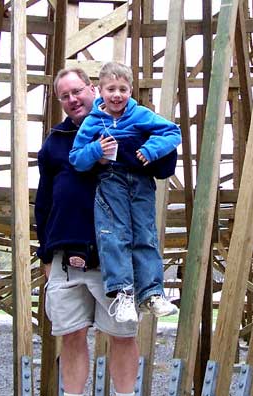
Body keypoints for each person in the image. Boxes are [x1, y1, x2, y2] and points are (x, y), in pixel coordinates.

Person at [35, 67, 139, 396]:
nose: (72, 99)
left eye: (77, 91)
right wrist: (45, 253)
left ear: (92, 88)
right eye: (64, 96)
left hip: (114, 257)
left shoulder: (123, 126)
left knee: (123, 335)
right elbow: (44, 201)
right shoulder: (55, 142)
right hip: (66, 258)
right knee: (71, 335)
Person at [69, 61, 181, 323]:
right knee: (114, 236)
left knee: (145, 234)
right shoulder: (93, 121)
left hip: (141, 180)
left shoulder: (140, 114)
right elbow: (76, 158)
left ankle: (152, 293)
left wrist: (151, 149)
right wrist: (97, 150)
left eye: (122, 89)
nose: (117, 95)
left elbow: (173, 132)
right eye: (111, 89)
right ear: (100, 91)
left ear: (131, 91)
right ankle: (123, 294)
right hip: (110, 181)